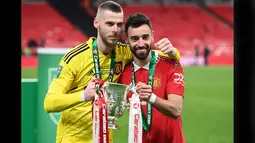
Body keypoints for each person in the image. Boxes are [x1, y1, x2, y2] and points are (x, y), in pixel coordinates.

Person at [43, 1, 181, 143]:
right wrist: (84, 95)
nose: (115, 30)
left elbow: (161, 56)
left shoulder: (124, 52)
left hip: (104, 138)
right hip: (73, 140)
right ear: (96, 23)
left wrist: (174, 51)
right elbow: (49, 103)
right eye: (109, 24)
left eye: (119, 24)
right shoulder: (75, 58)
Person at [118, 13, 185, 143]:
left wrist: (151, 98)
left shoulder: (171, 65)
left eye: (145, 37)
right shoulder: (121, 71)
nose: (141, 43)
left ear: (153, 36)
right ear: (126, 39)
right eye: (135, 38)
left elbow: (176, 109)